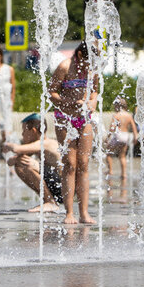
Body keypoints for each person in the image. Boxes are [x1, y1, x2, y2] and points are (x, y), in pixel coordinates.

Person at [48, 42, 97, 225]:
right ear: (79, 56)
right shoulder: (65, 66)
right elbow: (51, 91)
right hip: (64, 119)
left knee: (84, 164)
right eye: (86, 61)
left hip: (84, 119)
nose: (89, 66)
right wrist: (67, 102)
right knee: (70, 164)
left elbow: (94, 92)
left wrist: (92, 103)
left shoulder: (93, 69)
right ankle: (69, 213)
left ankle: (84, 212)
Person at [2, 113, 63, 213]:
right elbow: (11, 162)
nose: (22, 134)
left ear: (33, 131)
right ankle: (46, 199)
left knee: (29, 165)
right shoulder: (37, 146)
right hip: (56, 186)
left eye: (24, 131)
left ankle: (50, 202)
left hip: (63, 188)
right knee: (20, 165)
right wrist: (17, 159)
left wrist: (7, 145)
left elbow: (17, 149)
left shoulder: (46, 143)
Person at [105, 97, 138, 181]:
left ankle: (110, 171)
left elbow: (112, 128)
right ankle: (124, 173)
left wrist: (107, 138)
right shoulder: (129, 116)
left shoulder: (116, 116)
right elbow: (134, 128)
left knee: (108, 152)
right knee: (122, 155)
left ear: (117, 106)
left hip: (118, 135)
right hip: (125, 136)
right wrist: (135, 138)